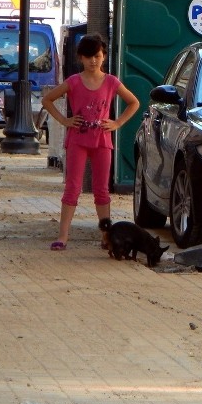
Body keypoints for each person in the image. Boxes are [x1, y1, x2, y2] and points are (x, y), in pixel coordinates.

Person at [41, 33, 140, 251]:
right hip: (77, 141)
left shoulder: (112, 82)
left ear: (104, 56)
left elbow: (134, 102)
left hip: (102, 141)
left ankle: (107, 237)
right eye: (88, 57)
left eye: (97, 56)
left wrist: (117, 123)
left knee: (101, 190)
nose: (93, 61)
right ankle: (63, 236)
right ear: (80, 58)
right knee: (72, 188)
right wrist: (65, 120)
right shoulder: (74, 82)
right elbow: (47, 100)